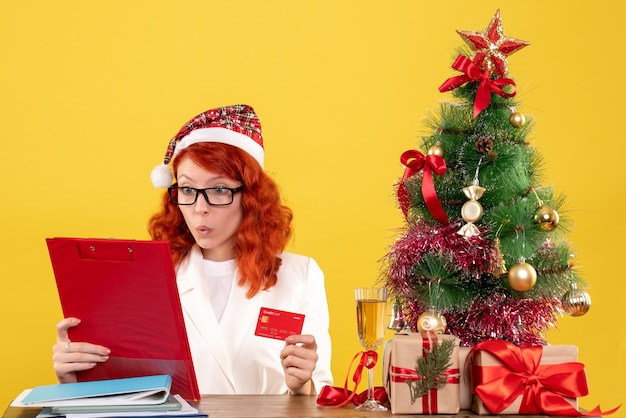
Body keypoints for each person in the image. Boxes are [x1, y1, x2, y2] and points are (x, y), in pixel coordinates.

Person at [52, 104, 333, 395]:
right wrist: (76, 377)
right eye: (187, 189)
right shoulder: (144, 278)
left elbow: (322, 396)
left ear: (251, 198)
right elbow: (123, 394)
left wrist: (304, 386)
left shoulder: (301, 276)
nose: (200, 208)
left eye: (219, 190)